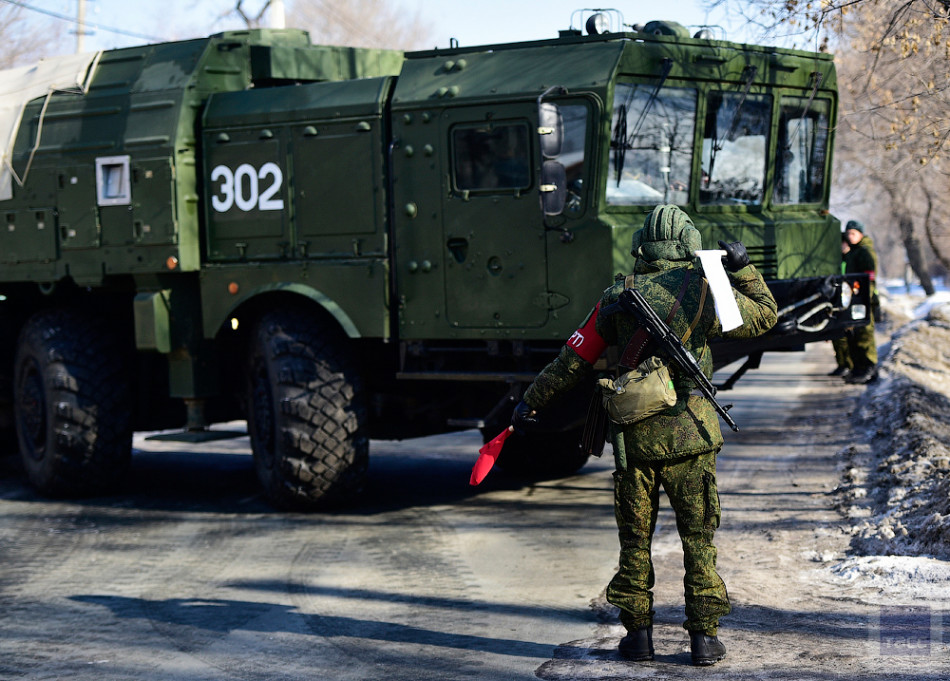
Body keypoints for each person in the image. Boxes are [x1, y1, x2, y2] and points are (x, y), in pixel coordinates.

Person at [511, 205, 777, 666]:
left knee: (635, 541)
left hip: (633, 444)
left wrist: (531, 401)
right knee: (698, 539)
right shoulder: (707, 289)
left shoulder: (617, 296)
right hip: (691, 436)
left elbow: (571, 361)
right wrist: (744, 269)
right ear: (689, 241)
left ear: (641, 244)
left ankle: (638, 638)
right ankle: (704, 640)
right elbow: (764, 317)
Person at [841, 220, 879, 384]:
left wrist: (865, 298)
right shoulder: (852, 253)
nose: (850, 236)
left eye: (853, 233)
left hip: (863, 299)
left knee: (865, 334)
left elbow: (869, 279)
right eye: (848, 233)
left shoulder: (865, 252)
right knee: (854, 334)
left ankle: (869, 368)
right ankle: (858, 369)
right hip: (853, 298)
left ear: (861, 234)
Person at [829, 234, 852, 377]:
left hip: (847, 300)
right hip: (837, 300)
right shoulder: (838, 260)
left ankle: (848, 365)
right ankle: (842, 364)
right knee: (837, 337)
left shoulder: (850, 259)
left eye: (844, 244)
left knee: (845, 337)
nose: (842, 247)